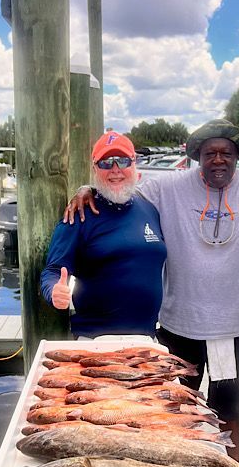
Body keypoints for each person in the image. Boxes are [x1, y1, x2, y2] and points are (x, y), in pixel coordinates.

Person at [64, 119, 239, 461]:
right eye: (210, 153)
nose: (218, 160)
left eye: (226, 153)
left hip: (227, 330)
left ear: (237, 156)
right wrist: (86, 189)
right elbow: (119, 188)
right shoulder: (168, 187)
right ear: (197, 156)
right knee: (173, 408)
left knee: (228, 407)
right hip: (177, 326)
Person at [41, 131, 165, 338]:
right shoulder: (78, 215)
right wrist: (53, 290)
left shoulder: (149, 208)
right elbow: (53, 270)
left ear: (134, 164)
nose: (115, 169)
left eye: (123, 161)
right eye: (106, 163)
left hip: (146, 339)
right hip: (95, 340)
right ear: (95, 169)